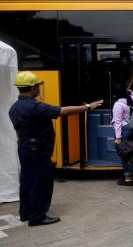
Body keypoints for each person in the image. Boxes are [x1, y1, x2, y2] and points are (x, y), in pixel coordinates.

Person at [9, 71, 103, 227]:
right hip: (37, 150)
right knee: (40, 182)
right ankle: (37, 217)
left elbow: (18, 131)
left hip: (24, 148)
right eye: (37, 85)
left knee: (27, 181)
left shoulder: (15, 107)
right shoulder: (35, 106)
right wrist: (87, 107)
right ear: (32, 88)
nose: (39, 88)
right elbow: (62, 111)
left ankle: (26, 213)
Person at [111, 84, 133, 186]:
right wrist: (132, 92)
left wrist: (118, 137)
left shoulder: (118, 105)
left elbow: (118, 122)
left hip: (124, 130)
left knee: (124, 153)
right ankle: (132, 175)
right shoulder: (131, 101)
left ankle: (128, 178)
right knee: (130, 152)